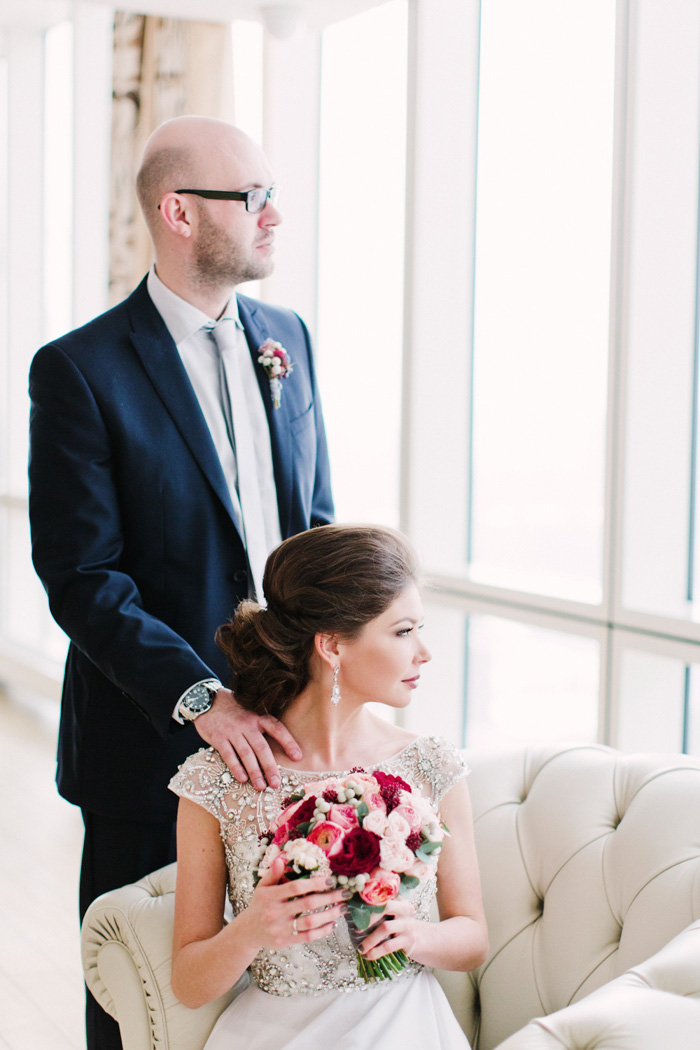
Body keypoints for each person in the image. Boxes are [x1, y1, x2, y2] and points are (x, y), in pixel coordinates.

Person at [28, 115, 333, 1050]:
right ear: (178, 212)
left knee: (274, 974)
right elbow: (82, 577)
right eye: (253, 198)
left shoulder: (289, 339)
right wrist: (200, 700)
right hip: (144, 739)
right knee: (145, 991)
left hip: (288, 734)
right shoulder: (80, 369)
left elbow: (313, 524)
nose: (276, 215)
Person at [169, 524, 488, 1050]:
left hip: (405, 1027)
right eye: (403, 631)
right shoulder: (218, 781)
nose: (424, 653)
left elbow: (473, 937)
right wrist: (251, 930)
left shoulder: (431, 764)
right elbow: (189, 983)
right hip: (275, 1033)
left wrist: (416, 936)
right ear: (332, 645)